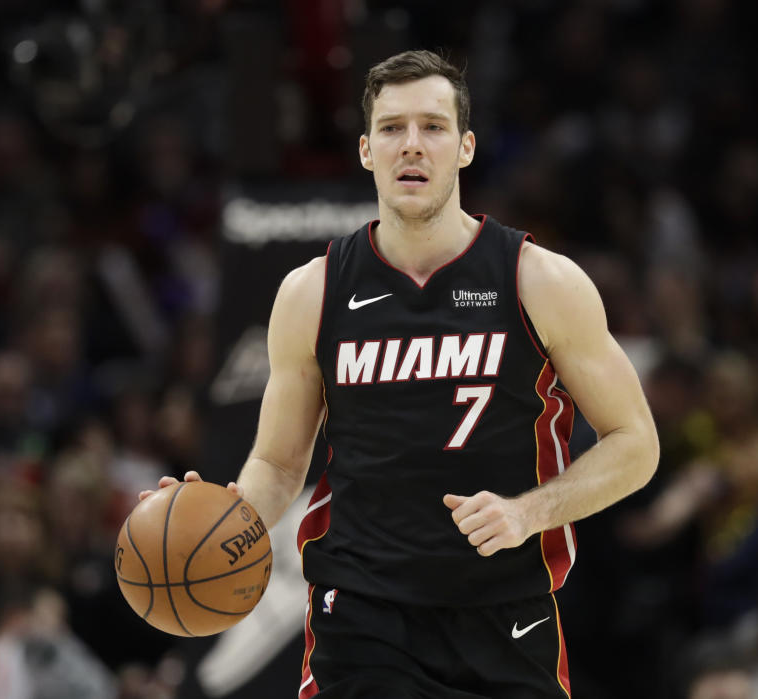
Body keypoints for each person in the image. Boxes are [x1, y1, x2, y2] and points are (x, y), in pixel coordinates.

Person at [141, 50, 659, 698]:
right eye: (391, 128)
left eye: (433, 127)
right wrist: (221, 518)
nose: (411, 145)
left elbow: (635, 443)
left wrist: (531, 512)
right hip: (362, 616)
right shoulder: (312, 292)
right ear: (365, 150)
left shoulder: (539, 280)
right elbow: (278, 466)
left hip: (504, 613)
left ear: (466, 147)